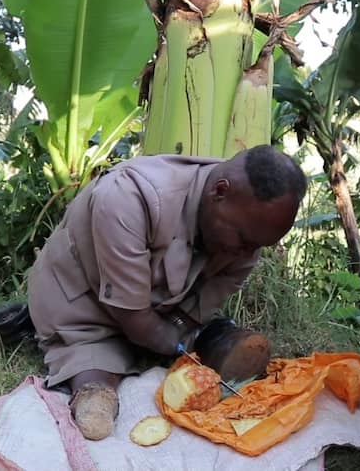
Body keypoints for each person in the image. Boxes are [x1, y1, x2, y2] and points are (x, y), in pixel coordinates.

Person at [27, 144, 307, 440]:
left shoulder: (247, 237)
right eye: (243, 239)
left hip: (160, 308)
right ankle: (94, 389)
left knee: (183, 338)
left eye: (258, 245)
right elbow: (135, 320)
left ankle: (206, 341)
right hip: (81, 300)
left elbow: (195, 309)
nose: (249, 253)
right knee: (94, 356)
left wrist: (183, 329)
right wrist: (172, 342)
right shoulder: (129, 197)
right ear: (219, 192)